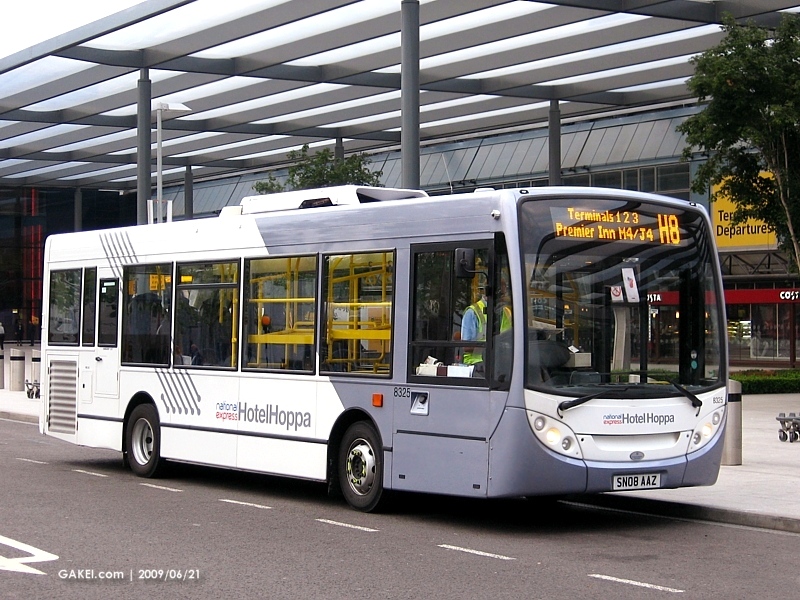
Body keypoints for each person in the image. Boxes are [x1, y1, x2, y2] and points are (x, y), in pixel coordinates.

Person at [461, 293, 487, 372]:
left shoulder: (505, 311)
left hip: (498, 363)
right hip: (475, 365)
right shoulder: (472, 312)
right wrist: (492, 348)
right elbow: (466, 346)